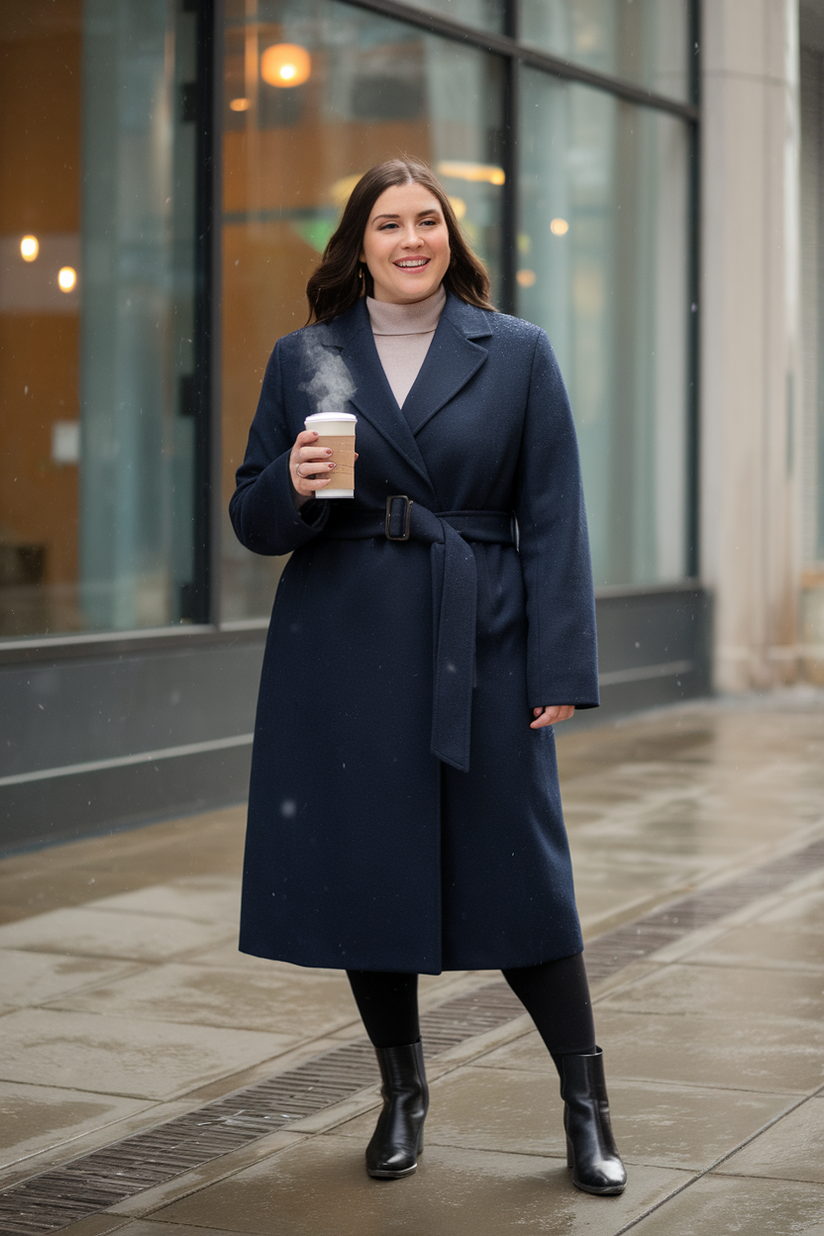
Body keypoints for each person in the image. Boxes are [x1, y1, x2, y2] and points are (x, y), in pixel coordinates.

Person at [229, 157, 626, 1196]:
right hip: (344, 642)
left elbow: (554, 522)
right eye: (389, 224)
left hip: (481, 631)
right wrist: (295, 485)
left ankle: (584, 1106)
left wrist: (559, 665)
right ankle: (401, 1096)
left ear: (449, 236)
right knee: (371, 872)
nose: (412, 240)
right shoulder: (303, 356)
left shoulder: (516, 353)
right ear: (356, 244)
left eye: (428, 222)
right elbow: (251, 518)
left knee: (522, 872)